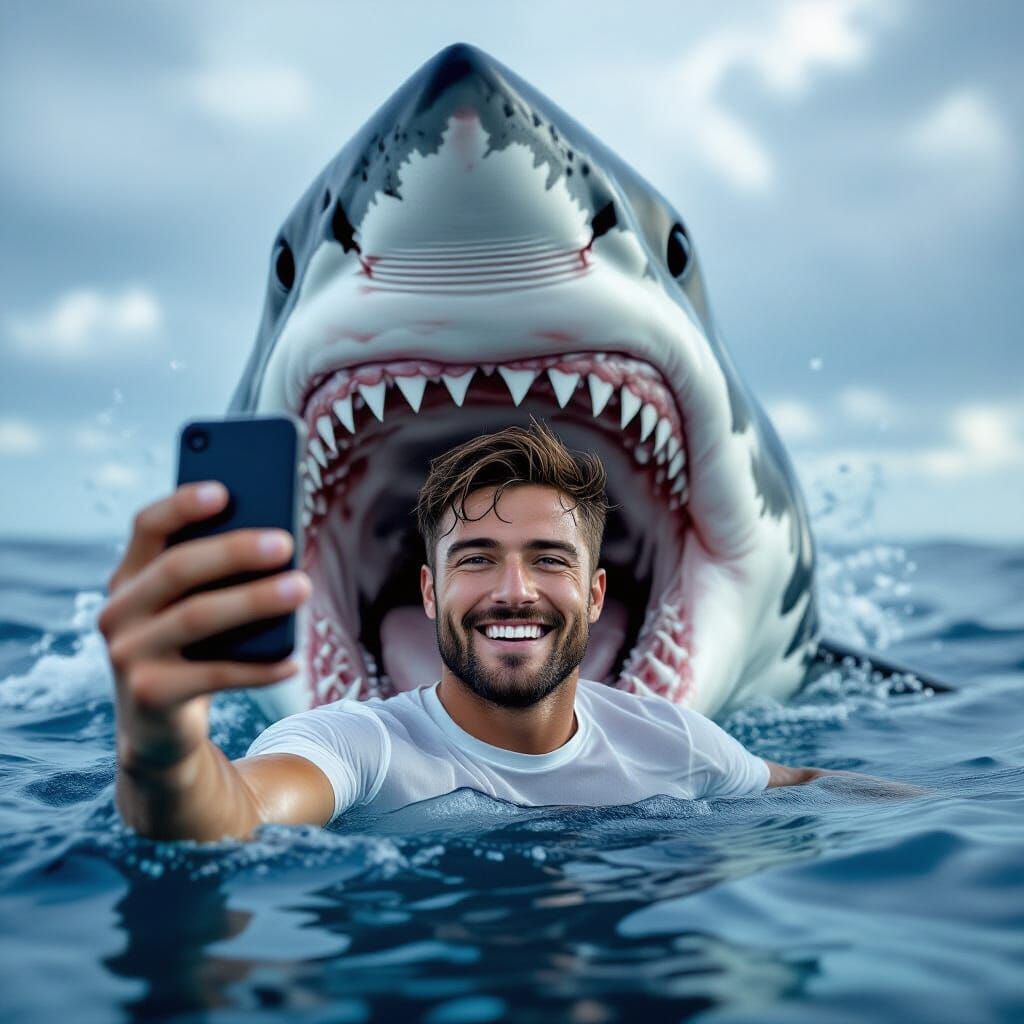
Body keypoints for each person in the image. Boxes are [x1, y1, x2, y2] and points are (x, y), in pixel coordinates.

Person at [101, 419, 918, 843]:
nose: (514, 591)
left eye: (549, 561)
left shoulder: (676, 743)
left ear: (597, 594)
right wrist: (162, 746)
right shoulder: (358, 745)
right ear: (428, 590)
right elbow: (235, 812)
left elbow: (804, 784)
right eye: (478, 559)